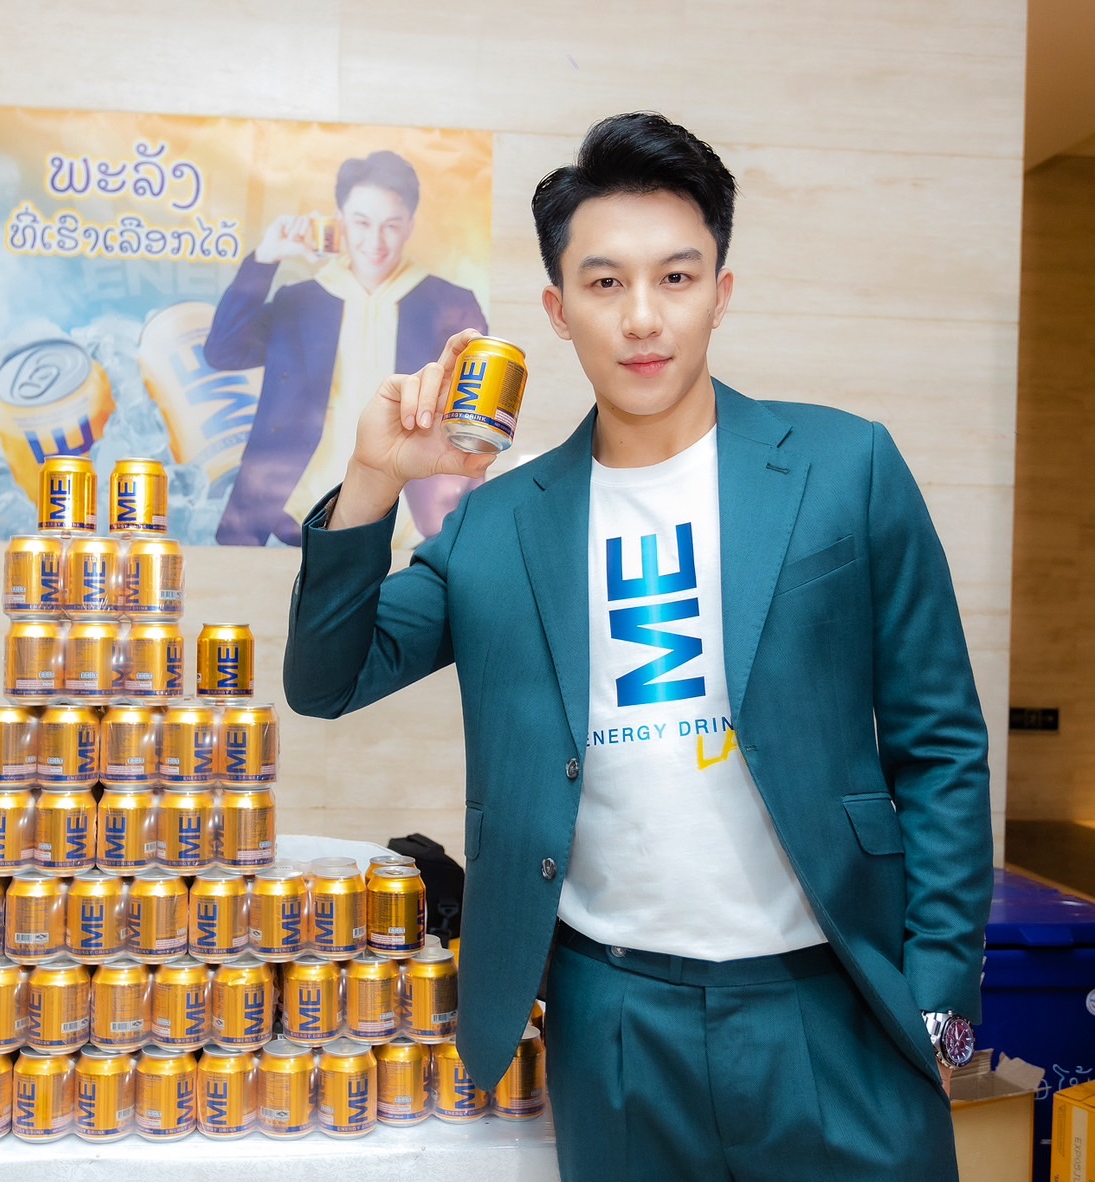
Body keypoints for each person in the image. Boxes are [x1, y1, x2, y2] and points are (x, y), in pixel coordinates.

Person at [283, 113, 991, 1180]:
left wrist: (938, 996)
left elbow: (941, 747)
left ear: (721, 291)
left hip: (834, 1001)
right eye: (605, 283)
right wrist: (375, 480)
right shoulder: (498, 524)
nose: (643, 317)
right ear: (557, 310)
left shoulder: (845, 468)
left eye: (676, 276)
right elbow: (324, 680)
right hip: (610, 1018)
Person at [204, 149, 487, 547]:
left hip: (412, 526)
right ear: (341, 220)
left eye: (391, 225)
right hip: (300, 514)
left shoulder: (451, 305)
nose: (375, 241)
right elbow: (222, 350)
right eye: (361, 222)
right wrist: (266, 258)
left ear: (410, 225)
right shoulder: (299, 301)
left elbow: (472, 417)